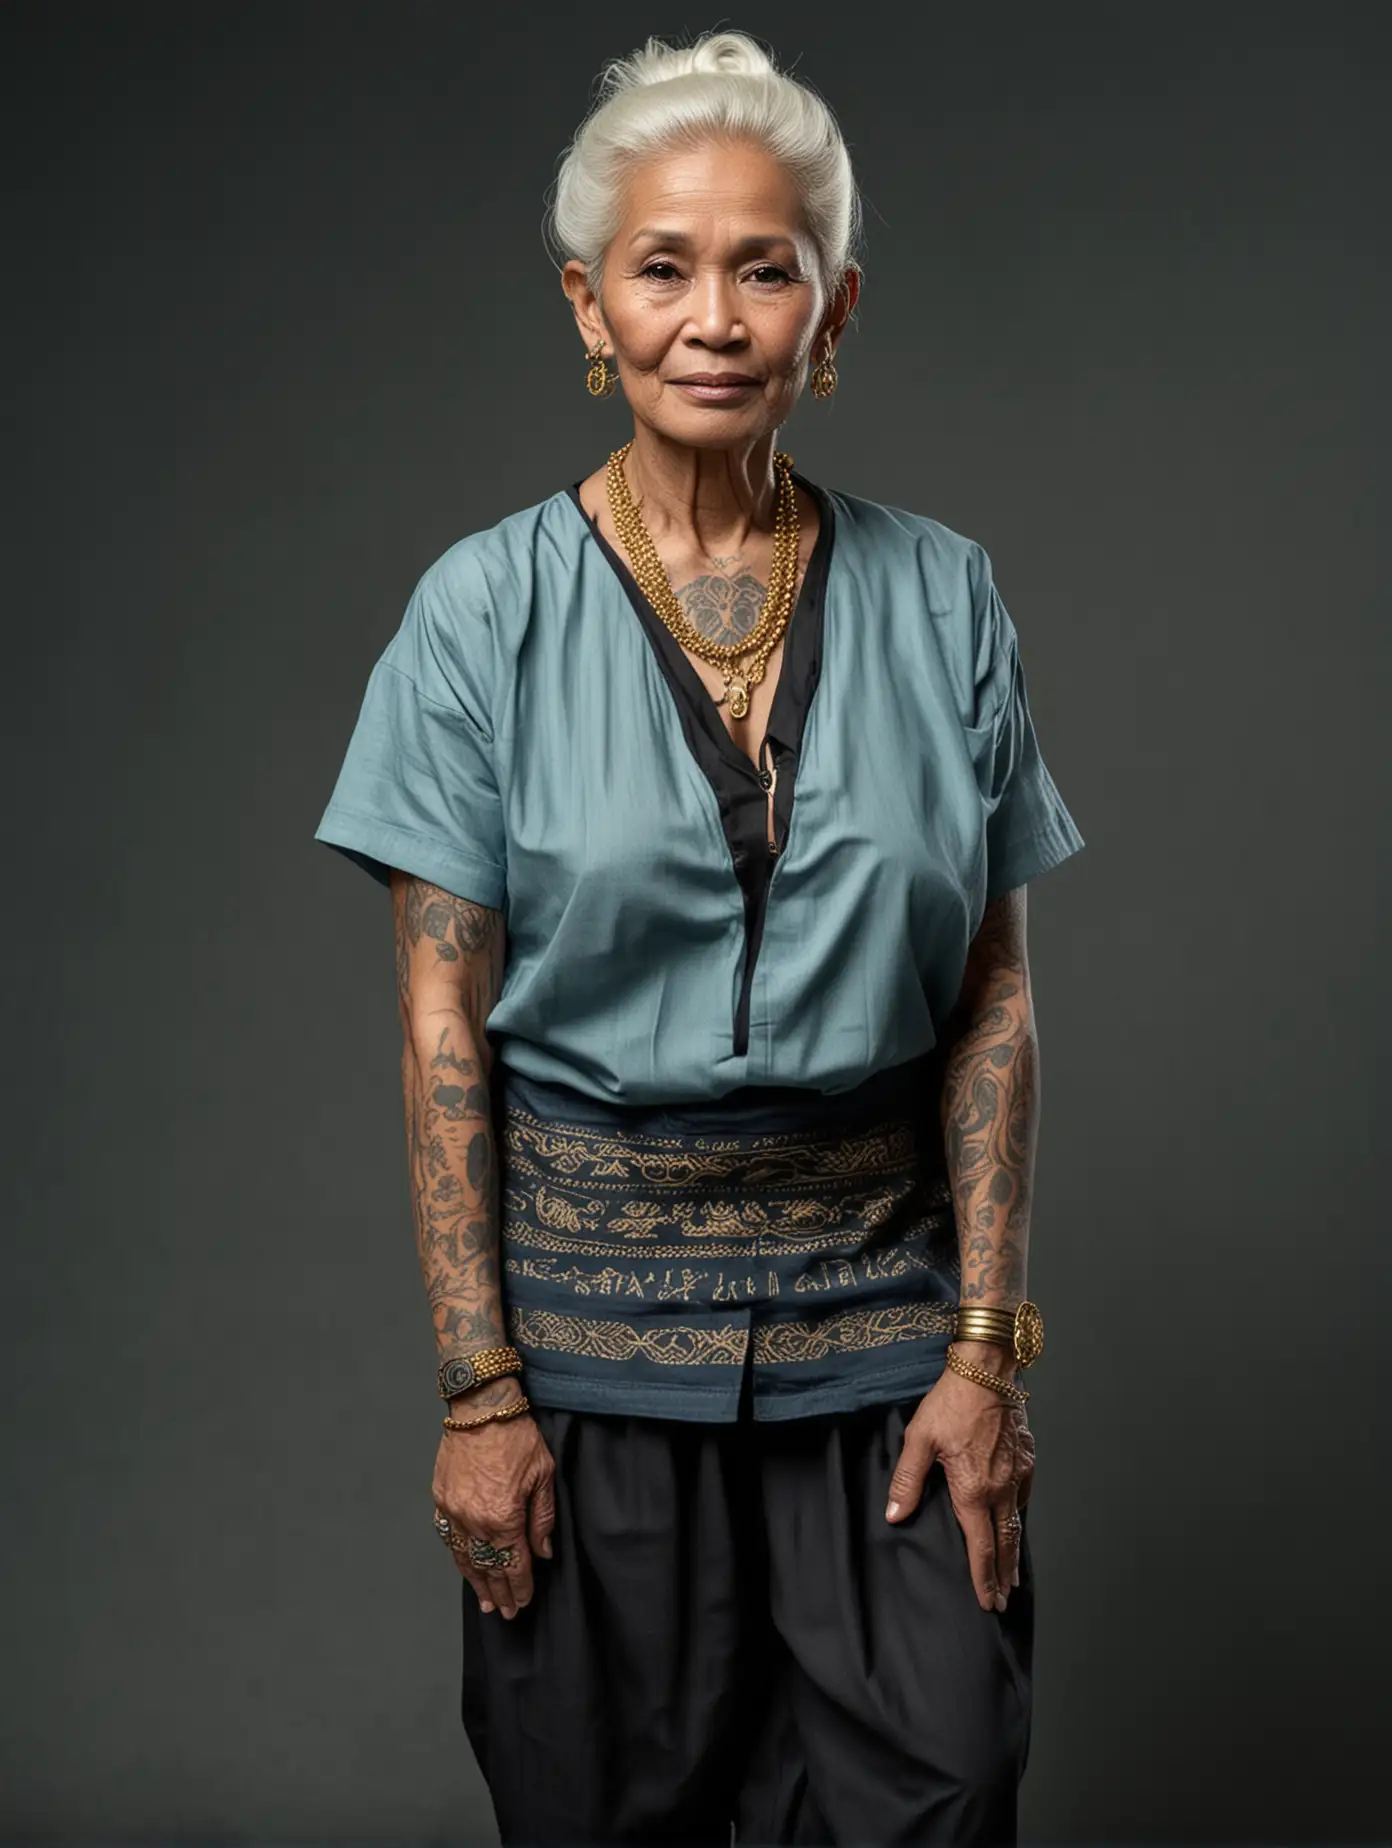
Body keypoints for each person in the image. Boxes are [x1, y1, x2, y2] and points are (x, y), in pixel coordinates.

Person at [313, 28, 1085, 1848]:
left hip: (886, 1346)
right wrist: (478, 1389)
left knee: (944, 1779)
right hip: (588, 1360)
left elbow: (993, 1003)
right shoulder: (479, 612)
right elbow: (442, 1018)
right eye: (665, 268)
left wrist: (987, 1357)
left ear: (837, 310)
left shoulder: (943, 592)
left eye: (767, 266)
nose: (716, 317)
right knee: (612, 1805)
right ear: (590, 304)